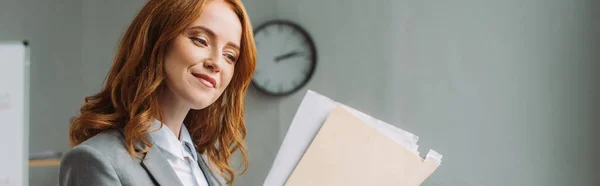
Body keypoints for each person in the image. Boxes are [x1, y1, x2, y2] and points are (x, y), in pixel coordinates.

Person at [58, 0, 256, 185]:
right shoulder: (97, 159)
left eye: (230, 56)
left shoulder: (209, 169)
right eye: (201, 40)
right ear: (157, 39)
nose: (217, 63)